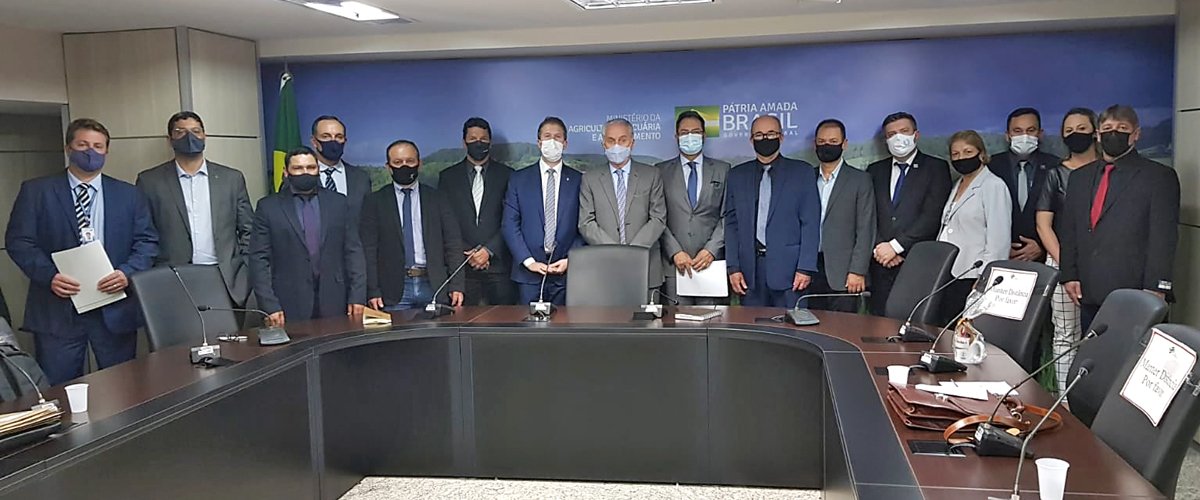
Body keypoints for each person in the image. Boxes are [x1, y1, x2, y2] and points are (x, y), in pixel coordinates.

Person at [5, 118, 159, 385]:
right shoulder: (37, 191)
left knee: (123, 386)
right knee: (59, 387)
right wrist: (49, 276)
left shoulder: (129, 194)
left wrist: (126, 273)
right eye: (83, 145)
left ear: (107, 151)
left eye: (98, 146)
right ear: (68, 148)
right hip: (58, 308)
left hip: (113, 305)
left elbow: (147, 242)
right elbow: (19, 241)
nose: (91, 152)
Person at [1059, 105, 1180, 330]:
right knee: (1093, 351)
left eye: (1122, 128)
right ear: (1098, 134)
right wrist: (1069, 275)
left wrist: (1157, 287)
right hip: (1088, 291)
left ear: (1136, 134)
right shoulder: (1079, 177)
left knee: (1134, 352)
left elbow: (1164, 237)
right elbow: (1070, 231)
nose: (1113, 133)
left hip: (1137, 294)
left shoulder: (1159, 176)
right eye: (1107, 128)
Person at [136, 111, 254, 307]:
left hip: (226, 278)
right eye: (181, 132)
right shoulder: (150, 181)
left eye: (196, 131)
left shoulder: (231, 178)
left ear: (204, 136)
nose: (189, 137)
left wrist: (245, 267)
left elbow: (248, 229)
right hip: (173, 279)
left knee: (228, 328)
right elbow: (144, 233)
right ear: (169, 140)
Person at [249, 147, 365, 326]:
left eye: (311, 167)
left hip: (335, 299)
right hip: (288, 303)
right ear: (286, 172)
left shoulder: (338, 202)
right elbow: (259, 260)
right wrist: (269, 304)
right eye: (298, 168)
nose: (305, 172)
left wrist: (357, 296)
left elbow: (353, 251)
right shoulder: (268, 207)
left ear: (318, 170)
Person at [725, 115, 821, 308]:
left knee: (791, 326)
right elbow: (731, 224)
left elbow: (811, 223)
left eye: (771, 134)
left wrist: (805, 267)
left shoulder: (802, 172)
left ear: (781, 137)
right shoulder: (737, 175)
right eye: (759, 135)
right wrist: (733, 267)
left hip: (791, 274)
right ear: (751, 140)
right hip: (750, 274)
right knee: (751, 326)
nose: (765, 139)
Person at [1036, 107, 1099, 392]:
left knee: (1100, 335)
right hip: (1062, 263)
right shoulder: (1056, 175)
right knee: (1065, 334)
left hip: (1103, 264)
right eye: (1069, 130)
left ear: (1095, 132)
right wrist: (1068, 266)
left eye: (1082, 129)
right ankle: (1065, 402)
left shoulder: (1108, 173)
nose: (1076, 135)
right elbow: (1043, 225)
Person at [362, 140, 465, 310]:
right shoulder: (375, 201)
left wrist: (457, 285)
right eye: (397, 162)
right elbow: (369, 250)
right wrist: (372, 290)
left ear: (419, 163)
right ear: (388, 167)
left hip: (434, 285)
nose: (404, 166)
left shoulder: (438, 198)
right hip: (393, 290)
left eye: (410, 161)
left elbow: (452, 242)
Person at [866, 112, 952, 315]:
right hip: (881, 264)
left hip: (918, 263)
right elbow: (867, 214)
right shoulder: (875, 170)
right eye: (891, 134)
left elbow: (932, 216)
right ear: (885, 140)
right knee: (878, 324)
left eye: (904, 131)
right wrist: (881, 248)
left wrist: (896, 247)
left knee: (915, 324)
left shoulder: (936, 168)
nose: (898, 138)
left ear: (916, 135)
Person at [578, 118, 667, 297]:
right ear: (603, 144)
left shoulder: (651, 174)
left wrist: (633, 252)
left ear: (632, 143)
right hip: (604, 268)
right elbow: (586, 223)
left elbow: (658, 218)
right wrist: (616, 252)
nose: (616, 145)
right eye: (611, 140)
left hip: (646, 267)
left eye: (622, 140)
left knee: (647, 316)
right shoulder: (590, 178)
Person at [502, 117, 584, 305]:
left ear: (565, 143)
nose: (552, 141)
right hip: (528, 275)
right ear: (539, 143)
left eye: (557, 137)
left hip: (565, 273)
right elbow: (510, 224)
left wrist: (570, 259)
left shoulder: (579, 180)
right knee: (528, 324)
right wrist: (528, 261)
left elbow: (584, 226)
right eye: (547, 136)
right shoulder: (519, 179)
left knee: (564, 323)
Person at [437, 118, 515, 306]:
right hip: (462, 267)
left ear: (490, 142)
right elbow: (445, 221)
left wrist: (489, 251)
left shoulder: (508, 175)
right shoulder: (448, 177)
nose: (478, 143)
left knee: (504, 320)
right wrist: (468, 252)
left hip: (499, 267)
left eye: (483, 139)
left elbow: (512, 219)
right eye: (473, 139)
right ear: (464, 142)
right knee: (462, 321)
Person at [935, 130, 1012, 322]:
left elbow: (999, 238)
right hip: (948, 272)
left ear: (981, 153)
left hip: (973, 273)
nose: (961, 158)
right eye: (955, 154)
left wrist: (986, 277)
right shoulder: (957, 185)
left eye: (968, 152)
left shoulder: (993, 185)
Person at [655, 110, 731, 305]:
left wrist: (711, 250)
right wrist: (675, 251)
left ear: (704, 135)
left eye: (695, 132)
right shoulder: (660, 171)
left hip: (711, 264)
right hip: (674, 265)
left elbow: (727, 215)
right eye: (684, 132)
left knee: (713, 320)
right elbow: (657, 217)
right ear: (676, 136)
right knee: (677, 321)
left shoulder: (723, 170)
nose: (690, 137)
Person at [807, 119, 876, 313]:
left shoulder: (860, 180)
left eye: (833, 141)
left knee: (843, 327)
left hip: (845, 272)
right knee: (810, 325)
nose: (826, 146)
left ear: (844, 144)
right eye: (821, 141)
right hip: (810, 270)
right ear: (814, 144)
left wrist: (858, 271)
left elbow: (866, 229)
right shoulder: (806, 178)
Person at [987, 107, 1059, 262]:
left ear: (1040, 134)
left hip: (1044, 260)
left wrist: (1042, 247)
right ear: (1007, 135)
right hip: (1000, 258)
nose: (1024, 136)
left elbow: (1064, 215)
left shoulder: (1055, 166)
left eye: (1031, 130)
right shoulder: (991, 166)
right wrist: (1002, 246)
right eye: (1017, 131)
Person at [280, 115, 372, 221]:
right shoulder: (297, 177)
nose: (333, 141)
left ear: (345, 141)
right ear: (314, 141)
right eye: (326, 136)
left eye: (339, 137)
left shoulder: (361, 178)